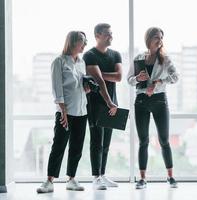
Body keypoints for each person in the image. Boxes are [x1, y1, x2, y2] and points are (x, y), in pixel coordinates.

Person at [37, 31, 89, 193]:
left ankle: (71, 179)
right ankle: (49, 181)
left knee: (77, 147)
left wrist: (87, 88)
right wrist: (63, 112)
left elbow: (80, 87)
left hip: (82, 111)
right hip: (65, 112)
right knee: (59, 145)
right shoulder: (58, 62)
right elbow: (57, 90)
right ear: (73, 42)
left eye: (85, 41)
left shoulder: (81, 62)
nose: (85, 44)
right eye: (82, 41)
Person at [127, 27, 179, 189]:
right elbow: (129, 80)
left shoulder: (166, 59)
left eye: (161, 37)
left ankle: (170, 177)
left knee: (164, 140)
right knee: (143, 141)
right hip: (141, 101)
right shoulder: (138, 58)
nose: (160, 40)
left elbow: (175, 77)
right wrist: (137, 78)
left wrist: (158, 82)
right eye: (156, 37)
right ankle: (142, 179)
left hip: (159, 101)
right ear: (148, 39)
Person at [83, 23, 122, 190]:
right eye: (107, 34)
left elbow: (119, 77)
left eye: (111, 33)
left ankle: (103, 175)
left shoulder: (116, 54)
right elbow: (97, 81)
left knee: (106, 143)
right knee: (96, 141)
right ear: (97, 35)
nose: (111, 36)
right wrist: (99, 76)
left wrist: (98, 74)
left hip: (112, 104)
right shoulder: (89, 55)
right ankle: (95, 177)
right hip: (95, 104)